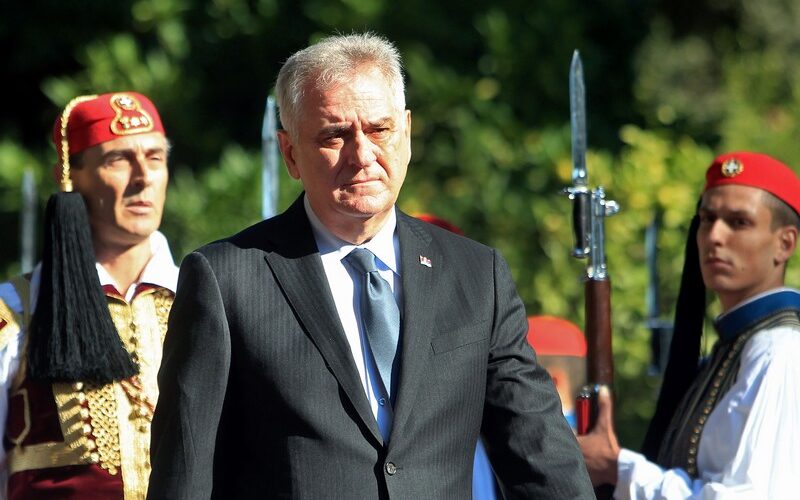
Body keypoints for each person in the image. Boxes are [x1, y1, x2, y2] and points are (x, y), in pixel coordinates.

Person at [148, 33, 593, 499]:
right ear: (290, 153)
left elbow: (541, 456)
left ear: (407, 133)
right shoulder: (227, 279)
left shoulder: (477, 275)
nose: (362, 155)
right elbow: (185, 474)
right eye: (334, 135)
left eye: (379, 130)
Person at [578, 151, 800, 498]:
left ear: (784, 244)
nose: (714, 236)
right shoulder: (734, 349)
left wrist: (619, 468)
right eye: (707, 219)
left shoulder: (778, 352)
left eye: (739, 222)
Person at [0, 92, 178, 499]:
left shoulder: (205, 300)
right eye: (118, 159)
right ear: (69, 177)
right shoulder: (15, 310)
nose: (143, 177)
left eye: (155, 157)